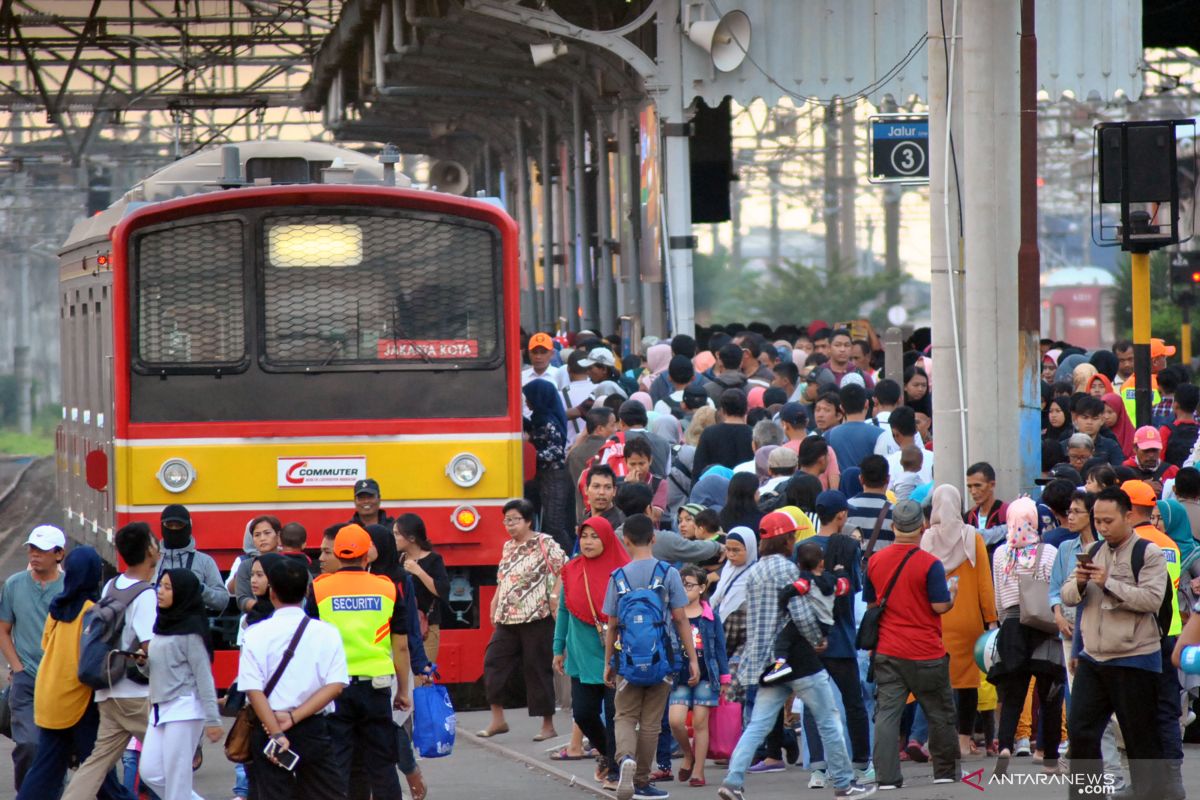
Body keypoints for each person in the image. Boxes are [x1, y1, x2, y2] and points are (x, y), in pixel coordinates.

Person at [717, 511, 873, 800]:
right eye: (792, 536)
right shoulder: (789, 571)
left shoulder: (755, 571)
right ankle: (843, 782)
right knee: (828, 718)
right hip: (799, 660)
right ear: (785, 539)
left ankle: (733, 781)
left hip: (766, 661)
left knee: (758, 725)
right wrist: (817, 637)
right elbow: (799, 612)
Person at [1061, 486, 1169, 799]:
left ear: (1128, 517)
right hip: (1093, 659)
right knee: (1080, 733)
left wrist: (1107, 582)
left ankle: (1151, 795)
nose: (1102, 527)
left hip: (1134, 658)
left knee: (1140, 741)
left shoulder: (1147, 553)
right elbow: (1068, 595)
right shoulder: (1093, 551)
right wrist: (1080, 582)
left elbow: (1151, 599)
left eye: (1109, 520)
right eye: (1098, 520)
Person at [15, 546, 134, 800]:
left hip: (48, 696)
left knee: (44, 772)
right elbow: (93, 658)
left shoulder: (57, 607)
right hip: (77, 700)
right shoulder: (92, 611)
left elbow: (46, 645)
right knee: (99, 772)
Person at [863, 500, 958, 790]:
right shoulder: (930, 564)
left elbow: (871, 604)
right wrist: (952, 592)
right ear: (922, 527)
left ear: (893, 528)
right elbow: (939, 606)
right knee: (939, 711)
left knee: (887, 714)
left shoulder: (875, 561)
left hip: (888, 650)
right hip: (926, 651)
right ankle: (944, 772)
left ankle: (887, 777)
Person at [61, 524, 161, 800]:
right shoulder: (146, 595)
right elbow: (150, 649)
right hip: (136, 696)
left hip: (107, 690)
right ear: (150, 550)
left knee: (97, 762)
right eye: (154, 541)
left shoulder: (111, 585)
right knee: (171, 757)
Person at [603, 514, 699, 800]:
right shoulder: (668, 573)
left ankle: (625, 760)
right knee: (651, 723)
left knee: (624, 714)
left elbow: (612, 625)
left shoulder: (618, 577)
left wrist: (609, 662)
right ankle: (642, 781)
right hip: (663, 659)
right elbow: (681, 618)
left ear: (626, 541)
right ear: (654, 539)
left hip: (628, 660)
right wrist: (692, 658)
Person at [312, 525, 408, 800]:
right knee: (382, 765)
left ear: (338, 555)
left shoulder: (319, 589)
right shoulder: (387, 589)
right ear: (368, 555)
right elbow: (400, 645)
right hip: (376, 688)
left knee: (337, 764)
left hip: (333, 690)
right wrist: (403, 690)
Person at [239, 558, 348, 800]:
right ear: (307, 591)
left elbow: (252, 690)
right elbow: (336, 685)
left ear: (272, 592)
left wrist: (277, 732)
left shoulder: (255, 634)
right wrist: (293, 717)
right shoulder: (327, 633)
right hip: (313, 728)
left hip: (268, 730)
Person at [987, 497, 1065, 775]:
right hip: (1042, 626)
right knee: (1049, 695)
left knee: (1012, 693)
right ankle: (1050, 759)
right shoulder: (1048, 552)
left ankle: (1006, 745)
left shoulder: (999, 553)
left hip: (1010, 626)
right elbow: (1054, 589)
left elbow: (998, 596)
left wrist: (1002, 621)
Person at [920, 486, 996, 757]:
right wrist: (991, 619)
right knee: (967, 684)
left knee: (936, 685)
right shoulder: (971, 537)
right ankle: (964, 741)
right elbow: (985, 584)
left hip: (937, 620)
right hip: (968, 622)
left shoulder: (927, 539)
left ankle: (938, 741)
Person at [481, 499, 566, 740]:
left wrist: (553, 595)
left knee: (537, 669)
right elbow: (503, 577)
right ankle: (498, 719)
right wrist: (495, 600)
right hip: (508, 618)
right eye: (506, 520)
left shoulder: (544, 542)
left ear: (528, 520)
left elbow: (565, 567)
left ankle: (547, 725)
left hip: (537, 615)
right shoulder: (508, 547)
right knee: (493, 661)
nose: (509, 525)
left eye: (515, 520)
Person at [554, 516, 629, 790]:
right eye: (584, 536)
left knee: (613, 713)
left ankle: (615, 771)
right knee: (584, 713)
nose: (588, 542)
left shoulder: (623, 572)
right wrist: (557, 648)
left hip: (615, 654)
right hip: (580, 654)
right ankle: (610, 756)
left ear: (607, 539)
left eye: (594, 536)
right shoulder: (572, 569)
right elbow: (563, 610)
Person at [804, 493, 872, 786]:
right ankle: (861, 764)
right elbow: (855, 587)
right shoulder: (848, 546)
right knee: (853, 702)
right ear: (841, 516)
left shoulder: (801, 548)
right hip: (841, 636)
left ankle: (818, 769)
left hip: (809, 637)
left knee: (811, 702)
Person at [140, 569, 223, 800]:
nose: (160, 592)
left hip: (184, 708)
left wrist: (213, 720)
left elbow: (204, 676)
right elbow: (157, 668)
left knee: (177, 778)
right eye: (160, 585)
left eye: (168, 587)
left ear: (183, 593)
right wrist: (142, 663)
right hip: (159, 708)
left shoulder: (192, 631)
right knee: (151, 773)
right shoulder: (163, 623)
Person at [0, 524, 65, 789]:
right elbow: (4, 629)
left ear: (59, 554)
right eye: (32, 549)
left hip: (60, 681)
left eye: (42, 550)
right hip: (26, 679)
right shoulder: (15, 585)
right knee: (28, 743)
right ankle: (27, 792)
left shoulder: (68, 587)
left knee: (56, 746)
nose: (34, 555)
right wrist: (17, 666)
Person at [667, 565, 729, 789]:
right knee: (675, 721)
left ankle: (699, 770)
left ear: (702, 588)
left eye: (690, 585)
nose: (684, 589)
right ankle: (688, 754)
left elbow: (721, 649)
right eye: (681, 585)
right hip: (679, 675)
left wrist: (724, 679)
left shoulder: (711, 616)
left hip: (706, 676)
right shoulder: (673, 615)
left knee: (701, 723)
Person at [524, 378, 575, 550]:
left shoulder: (548, 421)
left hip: (554, 477)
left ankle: (571, 559)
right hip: (544, 477)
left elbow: (556, 452)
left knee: (554, 525)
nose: (526, 401)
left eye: (529, 397)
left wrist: (530, 455)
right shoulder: (540, 418)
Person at [395, 514, 451, 664]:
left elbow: (442, 591)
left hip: (425, 628)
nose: (394, 538)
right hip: (403, 627)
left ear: (412, 538)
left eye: (397, 534)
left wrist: (419, 571)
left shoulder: (433, 559)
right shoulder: (398, 559)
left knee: (422, 678)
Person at [156, 504, 228, 611]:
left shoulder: (205, 561)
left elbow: (222, 601)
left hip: (192, 624)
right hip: (157, 624)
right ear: (162, 526)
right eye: (169, 525)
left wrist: (200, 589)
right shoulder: (152, 561)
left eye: (179, 525)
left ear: (188, 527)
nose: (174, 529)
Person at [693, 388, 755, 480]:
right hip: (746, 488)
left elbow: (698, 468)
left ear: (722, 410)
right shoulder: (753, 434)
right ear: (746, 409)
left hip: (715, 487)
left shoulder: (709, 433)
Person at [825, 384, 883, 470]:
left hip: (842, 483)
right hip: (871, 482)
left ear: (842, 408)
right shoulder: (880, 434)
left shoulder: (829, 435)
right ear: (866, 403)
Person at [234, 515, 281, 614]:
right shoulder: (245, 566)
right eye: (257, 535)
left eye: (267, 533)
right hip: (254, 619)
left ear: (278, 536)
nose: (262, 538)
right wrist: (262, 608)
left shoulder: (289, 563)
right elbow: (242, 599)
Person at [845, 455, 894, 552]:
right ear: (888, 479)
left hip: (853, 566)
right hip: (882, 566)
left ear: (861, 479)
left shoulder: (845, 508)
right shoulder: (895, 512)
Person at [964, 463, 1009, 549]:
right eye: (970, 486)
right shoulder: (968, 517)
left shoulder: (1007, 512)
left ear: (992, 485)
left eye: (977, 485)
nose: (973, 491)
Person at [1124, 425, 1179, 492]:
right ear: (1135, 449)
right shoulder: (1125, 470)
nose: (1151, 455)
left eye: (1155, 450)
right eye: (1146, 450)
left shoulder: (1172, 471)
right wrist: (1142, 487)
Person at [1161, 381, 1200, 466]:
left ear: (1176, 405)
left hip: (1172, 477)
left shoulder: (1166, 430)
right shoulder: (1199, 430)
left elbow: (1160, 461)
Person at [583, 464, 625, 529]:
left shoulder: (619, 525)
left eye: (608, 487)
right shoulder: (586, 518)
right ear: (586, 489)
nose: (602, 492)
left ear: (614, 491)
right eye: (596, 486)